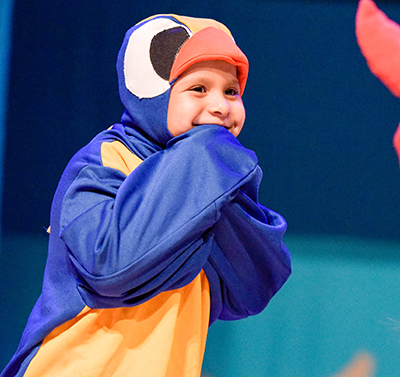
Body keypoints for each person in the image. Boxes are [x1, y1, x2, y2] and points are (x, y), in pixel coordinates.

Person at [1, 14, 291, 377]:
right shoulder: (108, 159)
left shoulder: (211, 179)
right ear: (155, 93)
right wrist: (205, 154)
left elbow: (255, 285)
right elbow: (109, 266)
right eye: (199, 89)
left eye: (231, 91)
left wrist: (217, 172)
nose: (220, 106)